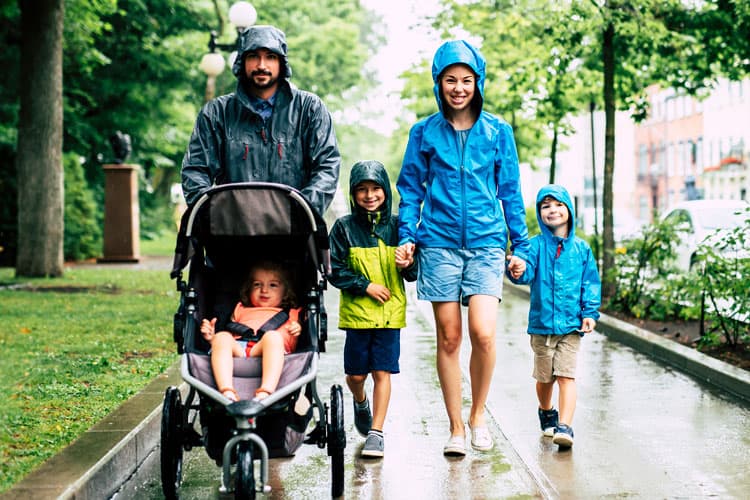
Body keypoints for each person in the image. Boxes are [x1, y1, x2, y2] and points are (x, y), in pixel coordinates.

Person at [395, 40, 529, 456]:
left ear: (478, 82)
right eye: (450, 80)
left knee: (483, 333)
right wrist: (407, 236)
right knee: (450, 339)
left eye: (466, 80)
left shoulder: (497, 131)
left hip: (487, 243)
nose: (458, 87)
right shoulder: (423, 133)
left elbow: (510, 191)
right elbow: (409, 190)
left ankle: (478, 415)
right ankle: (455, 427)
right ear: (439, 84)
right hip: (438, 244)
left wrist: (520, 244)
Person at [181, 24, 340, 216]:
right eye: (253, 56)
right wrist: (217, 216)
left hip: (294, 236)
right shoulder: (216, 113)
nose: (261, 65)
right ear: (242, 61)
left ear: (282, 63)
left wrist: (299, 214)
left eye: (270, 57)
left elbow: (327, 167)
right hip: (233, 235)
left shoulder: (310, 109)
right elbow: (195, 171)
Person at [328, 160, 418, 458]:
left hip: (390, 316)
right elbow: (334, 270)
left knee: (383, 372)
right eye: (362, 190)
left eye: (376, 188)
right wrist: (365, 285)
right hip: (357, 316)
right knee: (355, 376)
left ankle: (377, 433)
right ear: (353, 194)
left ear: (385, 190)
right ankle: (361, 401)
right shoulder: (343, 228)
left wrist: (409, 263)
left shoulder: (397, 227)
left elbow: (413, 273)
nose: (369, 195)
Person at [507, 184, 601, 449]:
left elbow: (590, 282)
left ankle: (566, 426)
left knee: (566, 376)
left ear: (569, 210)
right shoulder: (535, 246)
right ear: (540, 213)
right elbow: (525, 273)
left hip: (571, 326)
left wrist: (590, 312)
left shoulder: (582, 250)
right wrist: (516, 267)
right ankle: (546, 410)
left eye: (558, 204)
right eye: (546, 206)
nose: (553, 210)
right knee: (545, 378)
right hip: (542, 325)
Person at [200, 260, 303, 402]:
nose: (264, 290)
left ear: (286, 292)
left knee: (273, 337)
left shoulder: (292, 313)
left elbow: (294, 340)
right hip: (240, 348)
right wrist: (213, 339)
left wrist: (297, 329)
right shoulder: (240, 309)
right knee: (222, 336)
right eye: (257, 284)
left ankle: (265, 392)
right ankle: (227, 391)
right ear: (248, 289)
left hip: (269, 350)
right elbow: (230, 336)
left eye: (273, 285)